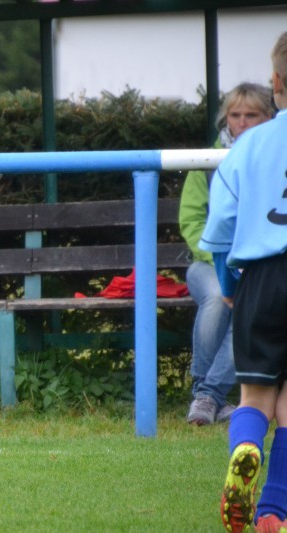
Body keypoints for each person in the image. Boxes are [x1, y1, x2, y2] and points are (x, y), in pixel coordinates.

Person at [200, 32, 287, 533]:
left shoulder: (250, 143)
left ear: (276, 82)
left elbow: (219, 227)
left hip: (262, 276)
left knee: (254, 397)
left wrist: (229, 285)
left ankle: (247, 447)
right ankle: (274, 511)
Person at [179, 82, 274, 426]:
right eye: (235, 115)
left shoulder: (275, 158)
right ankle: (208, 395)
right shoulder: (204, 161)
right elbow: (192, 221)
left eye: (252, 115)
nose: (242, 122)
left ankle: (207, 396)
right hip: (207, 262)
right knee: (220, 295)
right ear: (226, 118)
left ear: (269, 117)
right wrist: (221, 260)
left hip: (259, 263)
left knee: (248, 304)